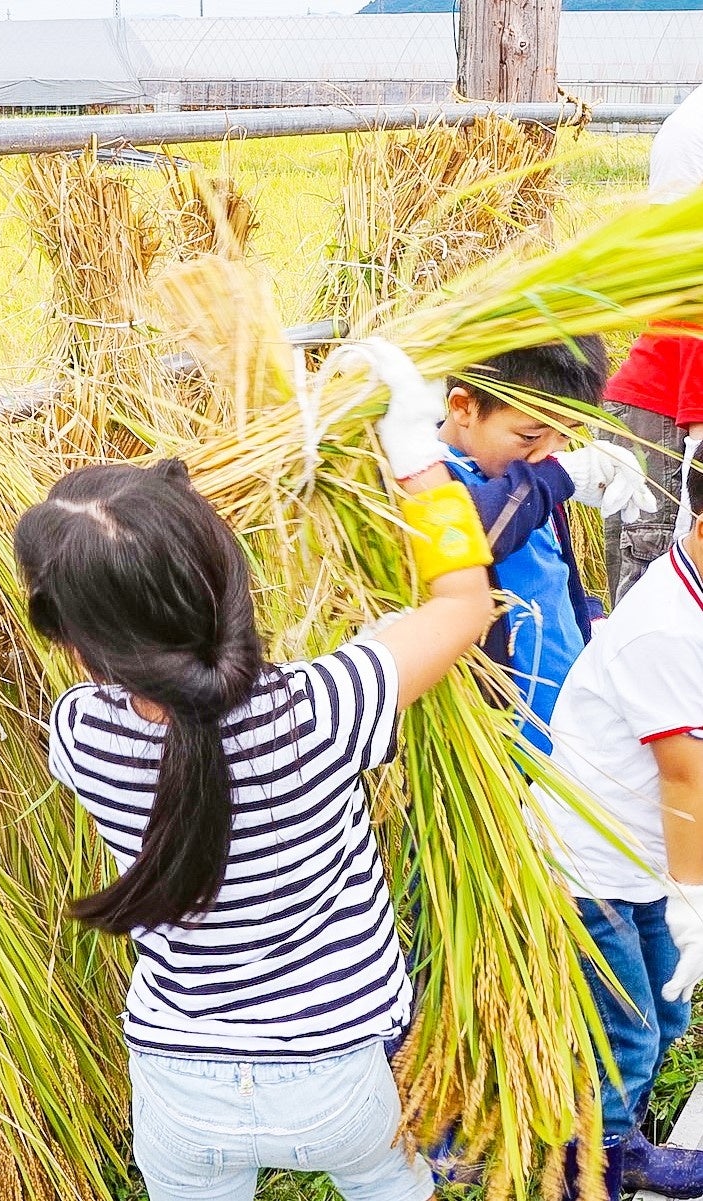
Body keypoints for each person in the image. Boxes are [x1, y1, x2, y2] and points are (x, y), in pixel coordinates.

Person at [15, 342, 493, 1201]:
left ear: (76, 647)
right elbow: (461, 600)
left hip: (177, 1083)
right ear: (234, 581)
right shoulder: (325, 707)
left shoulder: (78, 732)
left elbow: (143, 685)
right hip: (337, 1076)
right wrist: (417, 453)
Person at [537, 458, 703, 1201]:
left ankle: (617, 1136)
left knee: (664, 1016)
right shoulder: (660, 630)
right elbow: (684, 775)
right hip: (592, 861)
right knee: (628, 1037)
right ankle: (594, 1164)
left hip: (648, 851)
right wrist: (693, 896)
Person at [436, 339, 654, 755]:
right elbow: (475, 534)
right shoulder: (427, 476)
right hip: (505, 743)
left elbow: (550, 573)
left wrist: (590, 622)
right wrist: (558, 477)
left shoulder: (523, 480)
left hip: (568, 724)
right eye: (530, 435)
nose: (547, 454)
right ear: (462, 407)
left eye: (566, 436)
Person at [605, 83, 703, 602]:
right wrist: (696, 428)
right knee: (656, 584)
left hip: (673, 399)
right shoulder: (692, 135)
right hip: (668, 406)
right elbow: (685, 284)